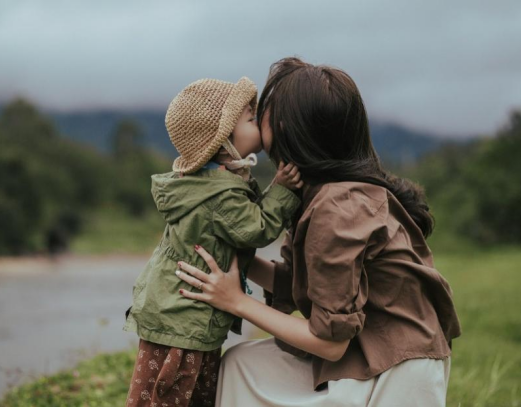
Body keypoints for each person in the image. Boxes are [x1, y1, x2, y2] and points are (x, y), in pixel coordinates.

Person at [175, 57, 462, 407]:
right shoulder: (320, 192)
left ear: (283, 126)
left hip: (396, 370)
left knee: (246, 368)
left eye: (260, 112)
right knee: (241, 366)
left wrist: (236, 301)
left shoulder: (337, 206)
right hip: (367, 350)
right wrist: (228, 254)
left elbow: (329, 340)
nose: (254, 118)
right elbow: (302, 284)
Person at [122, 76, 304, 407]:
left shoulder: (214, 182)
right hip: (183, 320)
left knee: (190, 392)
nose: (257, 120)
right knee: (174, 394)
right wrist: (282, 191)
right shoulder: (218, 193)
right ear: (223, 144)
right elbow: (256, 229)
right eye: (250, 119)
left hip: (182, 314)